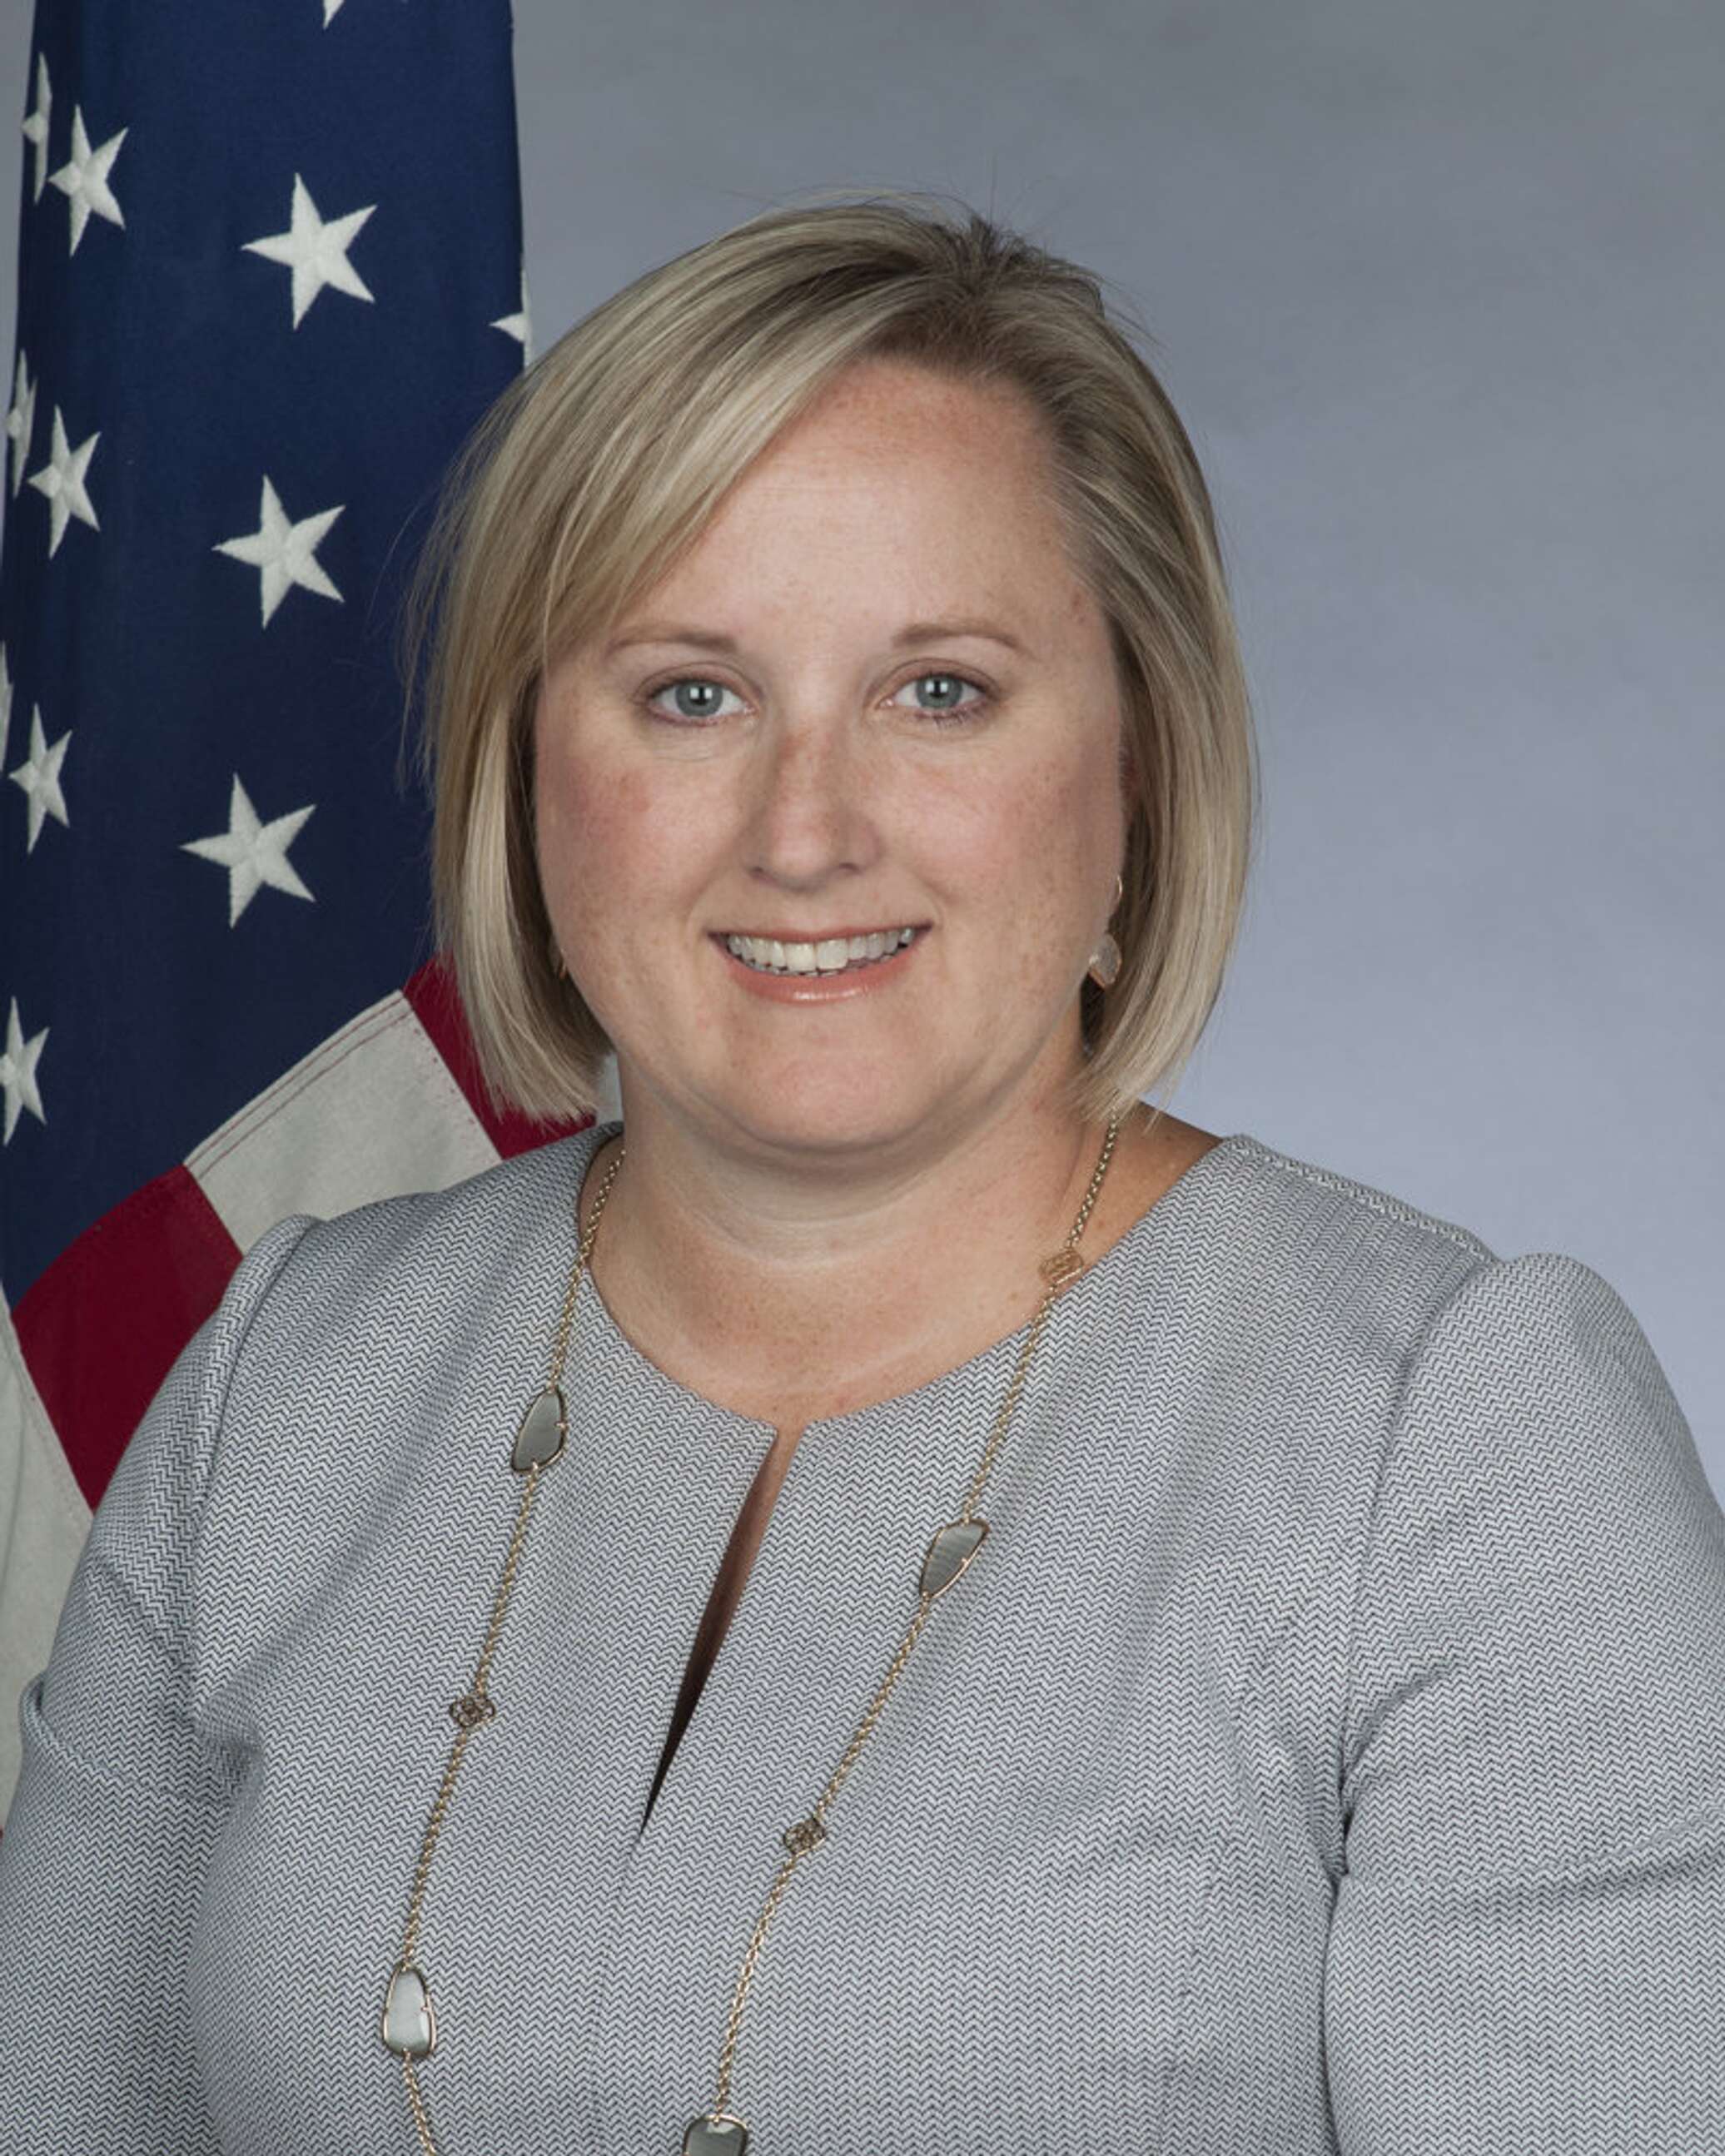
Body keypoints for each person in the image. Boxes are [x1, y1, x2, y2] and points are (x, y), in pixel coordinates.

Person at [0, 191, 1719, 2156]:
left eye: (939, 690)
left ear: (1137, 763)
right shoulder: (286, 1387)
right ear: (528, 771)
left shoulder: (1451, 1441)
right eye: (691, 692)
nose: (806, 832)